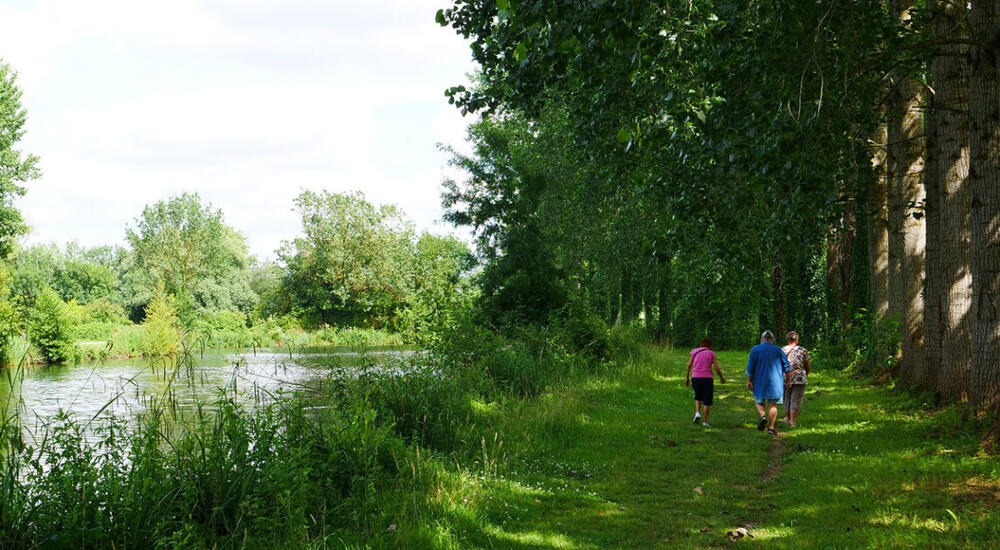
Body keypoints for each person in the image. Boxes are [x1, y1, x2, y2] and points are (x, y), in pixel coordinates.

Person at [745, 331, 790, 435]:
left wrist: (749, 381)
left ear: (762, 339)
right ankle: (771, 427)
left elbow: (750, 368)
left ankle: (763, 416)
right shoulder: (778, 350)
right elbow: (787, 367)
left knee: (759, 401)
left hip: (759, 381)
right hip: (775, 382)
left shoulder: (755, 349)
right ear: (772, 339)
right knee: (772, 404)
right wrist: (788, 381)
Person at [685, 337, 727, 427]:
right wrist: (721, 378)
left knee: (698, 395)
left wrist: (687, 378)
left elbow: (689, 365)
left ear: (701, 344)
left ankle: (697, 413)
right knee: (707, 399)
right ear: (710, 346)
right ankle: (705, 421)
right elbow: (716, 367)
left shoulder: (694, 351)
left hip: (695, 377)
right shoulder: (711, 353)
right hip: (707, 378)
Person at [781, 331, 811, 427]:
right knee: (796, 399)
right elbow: (807, 366)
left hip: (786, 377)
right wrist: (805, 374)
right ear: (797, 340)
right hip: (799, 377)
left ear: (787, 339)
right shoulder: (803, 350)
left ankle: (788, 419)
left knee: (787, 399)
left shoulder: (782, 350)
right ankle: (793, 421)